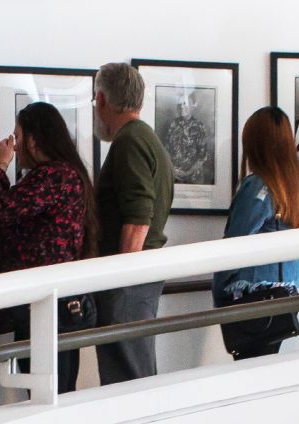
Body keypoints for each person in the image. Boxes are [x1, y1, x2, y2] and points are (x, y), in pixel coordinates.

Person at [0, 102, 100, 393]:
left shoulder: (53, 176)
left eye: (18, 137)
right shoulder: (66, 175)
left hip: (44, 309)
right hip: (53, 305)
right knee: (55, 393)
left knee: (47, 394)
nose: (15, 146)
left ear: (34, 139)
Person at [90, 62, 173, 385]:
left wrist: (118, 279)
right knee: (134, 376)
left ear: (101, 100)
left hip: (128, 282)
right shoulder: (145, 139)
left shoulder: (129, 142)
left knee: (126, 381)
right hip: (138, 279)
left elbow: (139, 219)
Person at [212, 107, 299, 360]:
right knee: (266, 369)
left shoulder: (259, 185)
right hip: (288, 295)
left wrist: (219, 292)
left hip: (254, 298)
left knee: (249, 372)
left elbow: (235, 245)